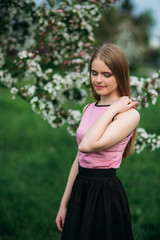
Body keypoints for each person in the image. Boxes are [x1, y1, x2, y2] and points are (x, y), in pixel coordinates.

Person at [55, 43, 140, 240]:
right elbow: (80, 157)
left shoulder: (129, 116)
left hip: (104, 193)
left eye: (106, 74)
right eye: (94, 73)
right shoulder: (88, 108)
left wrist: (112, 109)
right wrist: (64, 203)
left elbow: (87, 144)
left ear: (120, 75)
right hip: (81, 189)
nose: (98, 80)